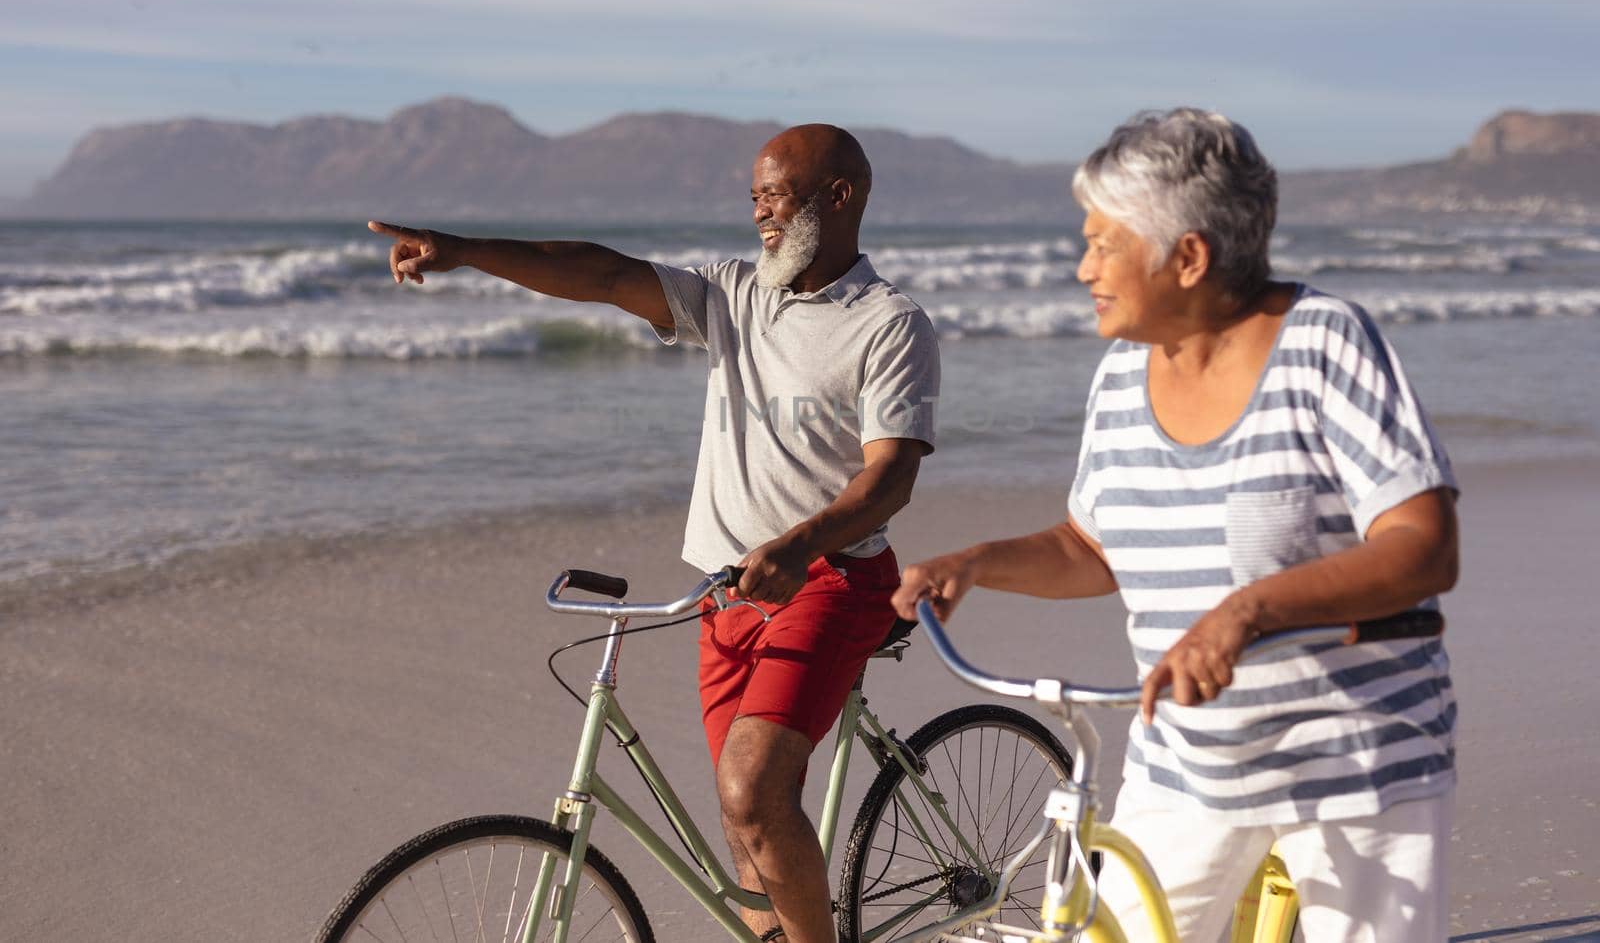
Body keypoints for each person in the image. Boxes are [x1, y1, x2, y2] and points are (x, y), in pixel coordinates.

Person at [891, 109, 1458, 942]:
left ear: (1188, 256)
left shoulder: (1325, 343)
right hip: (1186, 761)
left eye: (1104, 244)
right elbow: (1091, 545)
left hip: (1358, 762)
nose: (1083, 268)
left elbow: (1423, 545)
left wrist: (1244, 613)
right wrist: (976, 562)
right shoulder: (1121, 373)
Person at [370, 123, 939, 943]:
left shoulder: (889, 323)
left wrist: (798, 545)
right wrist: (464, 249)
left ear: (838, 197)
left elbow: (891, 476)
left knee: (751, 791)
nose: (759, 216)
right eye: (753, 199)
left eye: (773, 195)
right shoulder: (735, 295)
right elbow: (603, 273)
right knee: (745, 820)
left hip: (830, 581)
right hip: (727, 591)